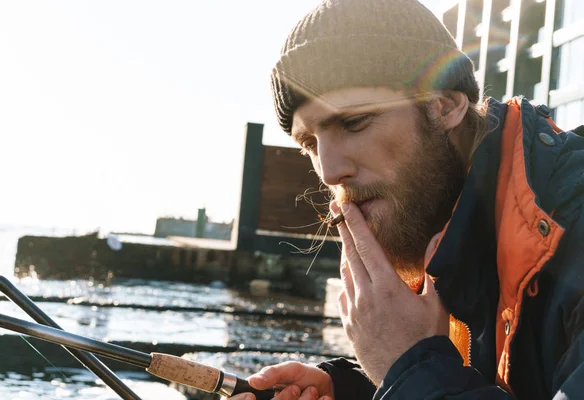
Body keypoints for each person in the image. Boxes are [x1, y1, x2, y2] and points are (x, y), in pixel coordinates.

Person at [231, 0, 584, 399]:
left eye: (353, 122)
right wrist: (363, 388)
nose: (329, 172)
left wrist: (412, 367)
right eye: (309, 143)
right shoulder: (450, 231)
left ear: (446, 106)